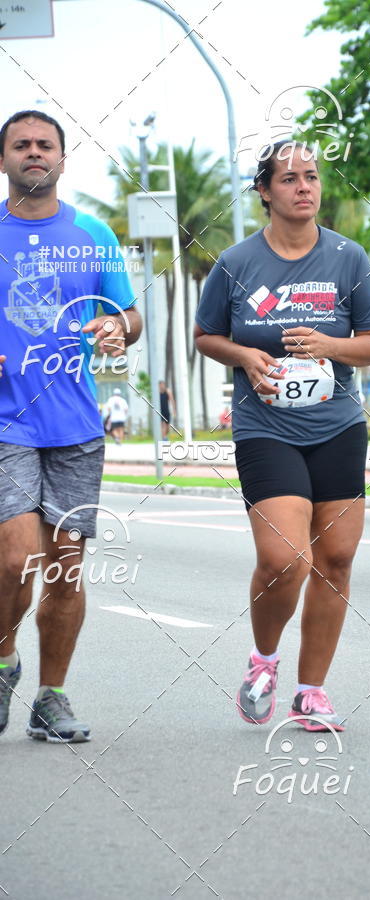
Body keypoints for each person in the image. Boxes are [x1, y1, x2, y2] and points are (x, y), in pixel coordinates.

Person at [194, 140, 370, 731]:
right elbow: (206, 337)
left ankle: (312, 693)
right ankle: (264, 660)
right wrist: (245, 355)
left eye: (311, 177)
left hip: (337, 425)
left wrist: (332, 346)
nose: (304, 187)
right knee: (284, 558)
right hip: (265, 427)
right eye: (289, 179)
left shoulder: (348, 258)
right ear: (264, 191)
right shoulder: (236, 263)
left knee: (336, 557)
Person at [0, 110, 142, 742]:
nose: (35, 153)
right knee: (15, 559)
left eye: (45, 145)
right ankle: (4, 659)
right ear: (4, 159)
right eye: (21, 145)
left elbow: (128, 315)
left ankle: (50, 697)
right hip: (6, 422)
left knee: (63, 568)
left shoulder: (92, 235)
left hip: (76, 426)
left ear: (63, 159)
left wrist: (118, 329)